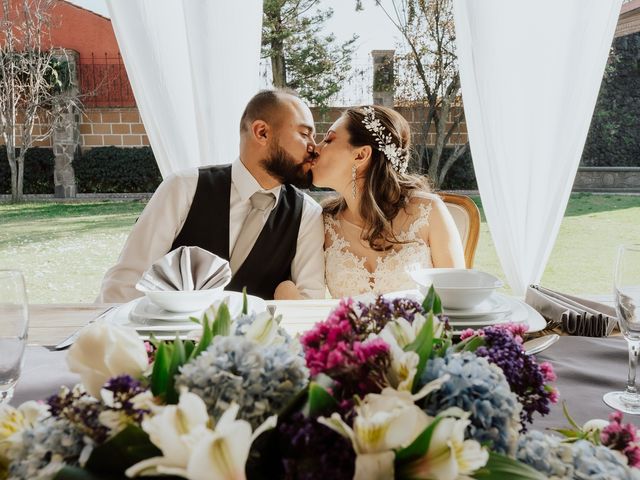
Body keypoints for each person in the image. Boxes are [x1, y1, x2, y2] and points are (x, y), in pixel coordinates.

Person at [98, 89, 325, 302]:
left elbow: (308, 307)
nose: (314, 148)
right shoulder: (183, 189)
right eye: (305, 134)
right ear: (261, 132)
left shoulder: (307, 214)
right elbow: (126, 284)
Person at [305, 104, 464, 298]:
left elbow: (457, 299)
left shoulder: (428, 212)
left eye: (328, 139)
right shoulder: (323, 221)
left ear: (361, 155)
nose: (315, 149)